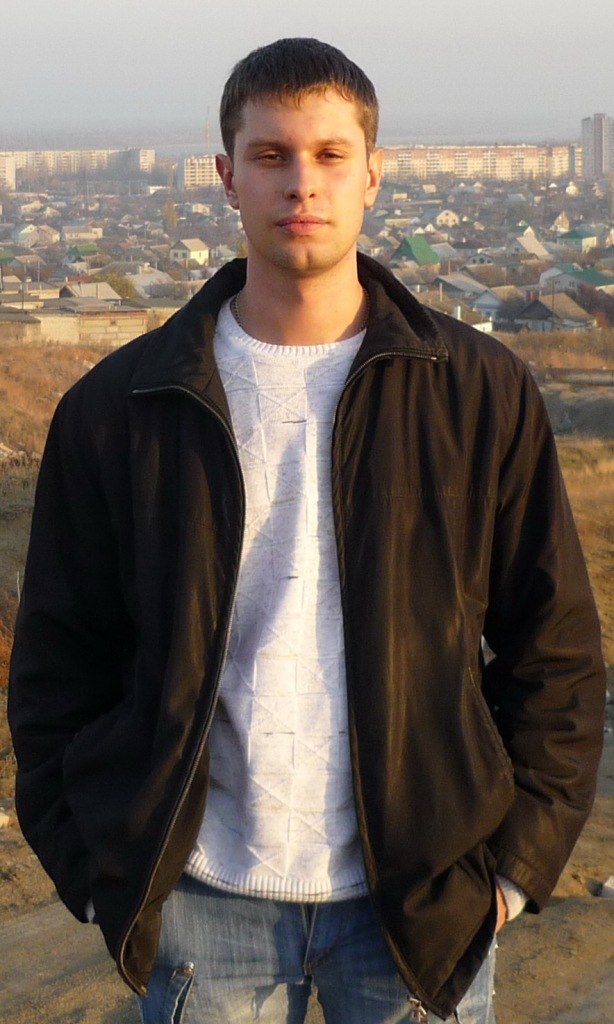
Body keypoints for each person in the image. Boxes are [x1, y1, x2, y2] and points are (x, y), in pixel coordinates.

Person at [8, 37, 605, 1024]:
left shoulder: (474, 393)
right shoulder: (120, 408)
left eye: (329, 154)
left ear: (373, 172)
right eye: (271, 155)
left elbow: (556, 652)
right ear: (225, 176)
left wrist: (509, 873)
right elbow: (58, 664)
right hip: (204, 905)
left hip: (420, 901)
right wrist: (93, 869)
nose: (301, 183)